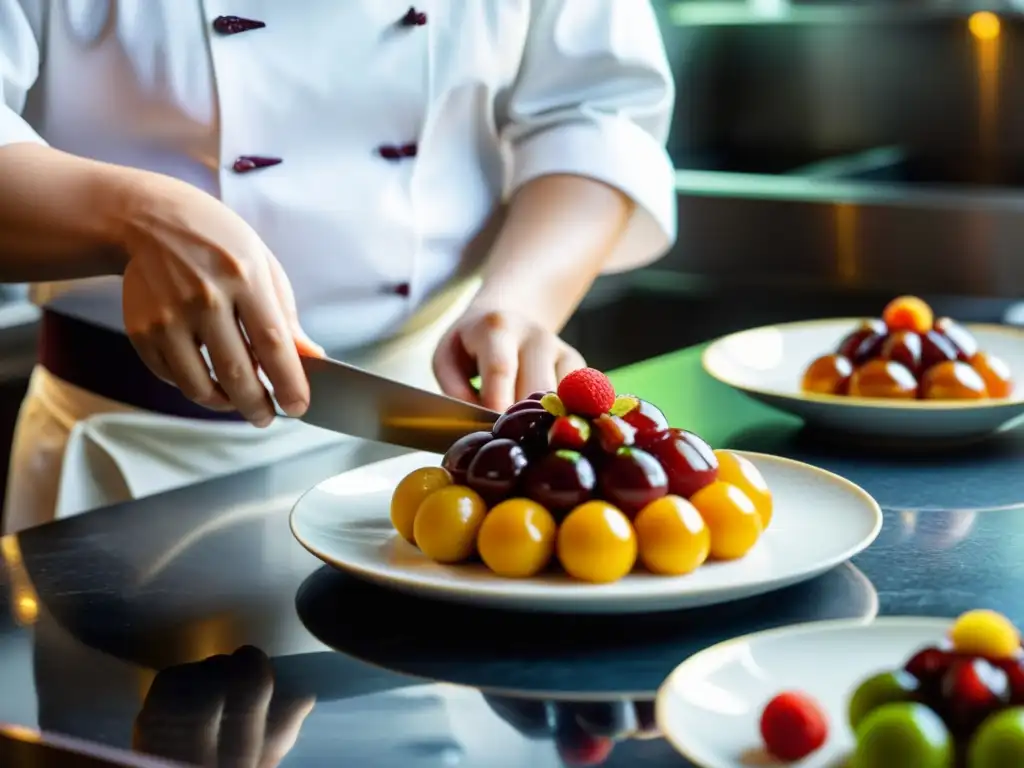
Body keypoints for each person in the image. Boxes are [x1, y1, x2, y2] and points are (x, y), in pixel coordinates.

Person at [0, 0, 677, 532]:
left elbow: (595, 107)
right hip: (125, 461)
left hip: (433, 454)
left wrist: (523, 300)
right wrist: (130, 217)